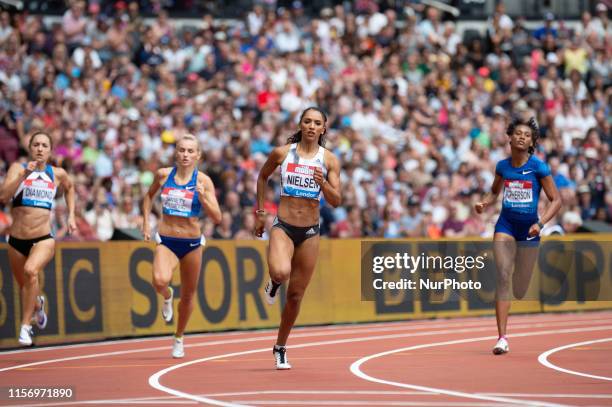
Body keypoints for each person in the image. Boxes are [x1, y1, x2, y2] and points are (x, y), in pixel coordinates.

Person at [255, 107, 342, 369]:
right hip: (283, 225)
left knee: (295, 297)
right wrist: (260, 213)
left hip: (310, 232)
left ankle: (280, 347)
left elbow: (336, 201)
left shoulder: (329, 160)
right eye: (307, 121)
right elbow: (262, 176)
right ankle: (273, 282)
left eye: (317, 123)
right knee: (281, 272)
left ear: (323, 129)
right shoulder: (283, 153)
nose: (312, 126)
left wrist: (323, 183)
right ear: (301, 125)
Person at [475, 117, 561, 355]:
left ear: (532, 141)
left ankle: (517, 285)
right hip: (506, 225)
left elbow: (557, 200)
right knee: (502, 276)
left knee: (520, 288)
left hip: (530, 231)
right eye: (518, 133)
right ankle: (502, 337)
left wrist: (541, 223)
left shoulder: (539, 167)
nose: (522, 137)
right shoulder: (502, 166)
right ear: (510, 137)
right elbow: (494, 193)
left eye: (527, 134)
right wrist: (484, 203)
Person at [141, 134, 222, 358]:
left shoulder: (203, 181)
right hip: (166, 240)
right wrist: (146, 222)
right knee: (159, 281)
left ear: (198, 155)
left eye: (190, 151)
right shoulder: (164, 174)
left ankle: (179, 337)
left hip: (192, 243)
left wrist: (204, 198)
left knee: (188, 295)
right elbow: (148, 197)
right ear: (176, 153)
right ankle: (167, 297)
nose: (185, 154)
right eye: (182, 150)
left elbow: (217, 218)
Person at [0, 131, 76, 346]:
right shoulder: (18, 168)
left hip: (43, 238)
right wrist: (23, 175)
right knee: (26, 286)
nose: (40, 149)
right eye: (36, 145)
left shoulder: (57, 174)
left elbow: (70, 189)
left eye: (44, 145)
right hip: (16, 240)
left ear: (50, 150)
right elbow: (3, 196)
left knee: (31, 271)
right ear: (30, 148)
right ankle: (37, 304)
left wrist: (71, 215)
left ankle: (25, 327)